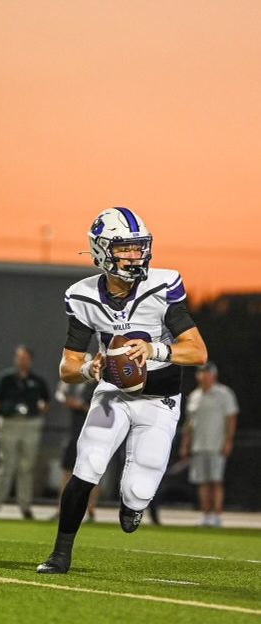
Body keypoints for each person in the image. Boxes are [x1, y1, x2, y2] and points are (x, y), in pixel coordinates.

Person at [37, 207, 207, 574]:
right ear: (101, 251)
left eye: (139, 248)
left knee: (138, 490)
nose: (136, 256)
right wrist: (88, 368)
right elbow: (67, 368)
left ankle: (133, 503)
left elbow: (198, 351)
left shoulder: (163, 286)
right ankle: (60, 554)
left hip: (160, 399)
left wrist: (154, 349)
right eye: (126, 249)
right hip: (113, 395)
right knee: (88, 466)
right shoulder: (82, 297)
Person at [0, 345, 50, 519]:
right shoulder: (5, 378)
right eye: (19, 357)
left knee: (27, 467)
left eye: (25, 357)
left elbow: (46, 401)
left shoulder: (37, 380)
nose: (22, 361)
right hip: (9, 422)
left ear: (30, 360)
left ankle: (25, 506)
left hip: (30, 423)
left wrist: (41, 410)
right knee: (6, 465)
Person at [179, 361, 238, 527]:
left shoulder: (224, 393)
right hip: (198, 445)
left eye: (207, 373)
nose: (203, 376)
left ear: (214, 375)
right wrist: (186, 444)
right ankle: (206, 514)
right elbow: (189, 424)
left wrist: (228, 441)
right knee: (202, 482)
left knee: (216, 481)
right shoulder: (195, 396)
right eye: (201, 373)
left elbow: (231, 419)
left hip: (216, 445)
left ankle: (217, 515)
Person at [54, 377, 99, 522]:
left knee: (94, 471)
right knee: (67, 470)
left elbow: (104, 407)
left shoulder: (100, 384)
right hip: (76, 433)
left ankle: (91, 510)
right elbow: (61, 394)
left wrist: (82, 406)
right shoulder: (76, 384)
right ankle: (61, 509)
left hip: (94, 432)